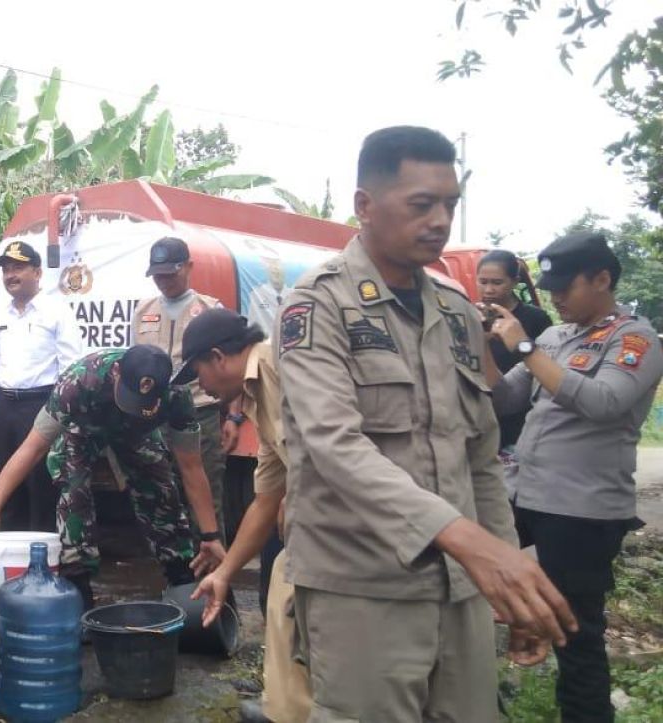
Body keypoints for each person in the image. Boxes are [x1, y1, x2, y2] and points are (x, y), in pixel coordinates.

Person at [275, 125, 574, 720]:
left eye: (449, 205)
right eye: (421, 204)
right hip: (361, 587)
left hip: (461, 588)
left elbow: (481, 460)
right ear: (364, 206)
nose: (440, 220)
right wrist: (471, 543)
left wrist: (508, 577)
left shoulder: (458, 311)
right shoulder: (318, 305)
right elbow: (335, 447)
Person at [486, 230, 663, 721]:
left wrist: (523, 346)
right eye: (551, 287)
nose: (557, 297)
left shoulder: (635, 339)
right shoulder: (555, 337)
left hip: (582, 511)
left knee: (575, 632)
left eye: (566, 287)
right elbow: (504, 401)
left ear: (602, 279)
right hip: (523, 494)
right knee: (461, 578)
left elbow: (604, 403)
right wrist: (482, 346)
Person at [0, 345, 227, 609]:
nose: (133, 406)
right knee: (73, 494)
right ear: (117, 373)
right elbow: (33, 447)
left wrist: (210, 535)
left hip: (136, 434)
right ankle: (78, 589)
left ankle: (180, 575)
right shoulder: (79, 381)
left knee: (161, 487)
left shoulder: (176, 396)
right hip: (81, 429)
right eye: (130, 398)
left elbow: (192, 467)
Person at [180, 309, 310, 723]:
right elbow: (265, 499)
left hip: (354, 520)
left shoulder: (283, 365)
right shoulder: (255, 396)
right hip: (319, 522)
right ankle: (286, 708)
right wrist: (224, 573)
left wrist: (304, 493)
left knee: (297, 590)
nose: (200, 384)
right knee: (283, 587)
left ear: (219, 357)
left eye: (198, 371)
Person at [0, 241, 82, 532]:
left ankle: (43, 561)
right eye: (7, 270)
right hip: (6, 408)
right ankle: (10, 556)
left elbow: (71, 368)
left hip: (42, 406)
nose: (11, 275)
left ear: (37, 272)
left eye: (18, 268)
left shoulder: (56, 311)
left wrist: (65, 416)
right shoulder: (1, 315)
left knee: (41, 486)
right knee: (7, 487)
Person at [133, 236, 230, 543]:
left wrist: (235, 417)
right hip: (156, 417)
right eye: (157, 275)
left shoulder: (210, 310)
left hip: (201, 415)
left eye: (170, 274)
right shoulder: (142, 310)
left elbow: (230, 368)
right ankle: (180, 576)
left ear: (188, 267)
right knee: (165, 498)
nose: (163, 281)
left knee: (207, 497)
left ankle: (216, 576)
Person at [476, 248, 552, 452]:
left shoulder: (536, 319)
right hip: (477, 416)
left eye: (497, 282)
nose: (489, 289)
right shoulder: (468, 315)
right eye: (483, 282)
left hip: (518, 420)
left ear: (515, 281)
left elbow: (543, 369)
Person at [245, 255, 287, 333]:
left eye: (278, 273)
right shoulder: (256, 294)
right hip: (266, 341)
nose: (276, 275)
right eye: (273, 273)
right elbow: (252, 322)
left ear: (284, 274)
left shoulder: (293, 295)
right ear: (268, 273)